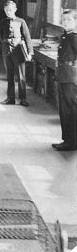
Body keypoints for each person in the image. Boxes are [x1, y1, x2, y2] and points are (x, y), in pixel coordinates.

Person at [0, 0, 33, 106]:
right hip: (6, 50)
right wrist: (6, 43)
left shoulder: (21, 21)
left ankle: (23, 99)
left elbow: (27, 37)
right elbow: (0, 36)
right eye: (6, 10)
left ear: (15, 10)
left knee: (21, 76)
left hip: (18, 50)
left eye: (10, 10)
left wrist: (30, 52)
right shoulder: (2, 22)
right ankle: (10, 98)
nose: (8, 12)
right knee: (9, 75)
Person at [53, 10, 77, 151]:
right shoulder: (65, 36)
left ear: (75, 21)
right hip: (63, 75)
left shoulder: (73, 37)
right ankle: (67, 139)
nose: (65, 22)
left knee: (69, 110)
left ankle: (71, 142)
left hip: (70, 77)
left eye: (69, 20)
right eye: (63, 19)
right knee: (64, 109)